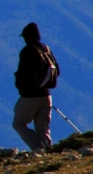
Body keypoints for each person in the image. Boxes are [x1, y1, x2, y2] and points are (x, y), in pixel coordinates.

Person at [13, 22, 59, 151]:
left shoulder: (27, 51)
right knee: (43, 128)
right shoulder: (46, 49)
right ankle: (49, 152)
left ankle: (38, 150)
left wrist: (20, 86)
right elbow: (57, 71)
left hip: (30, 96)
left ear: (27, 37)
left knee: (19, 123)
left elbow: (23, 74)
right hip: (46, 95)